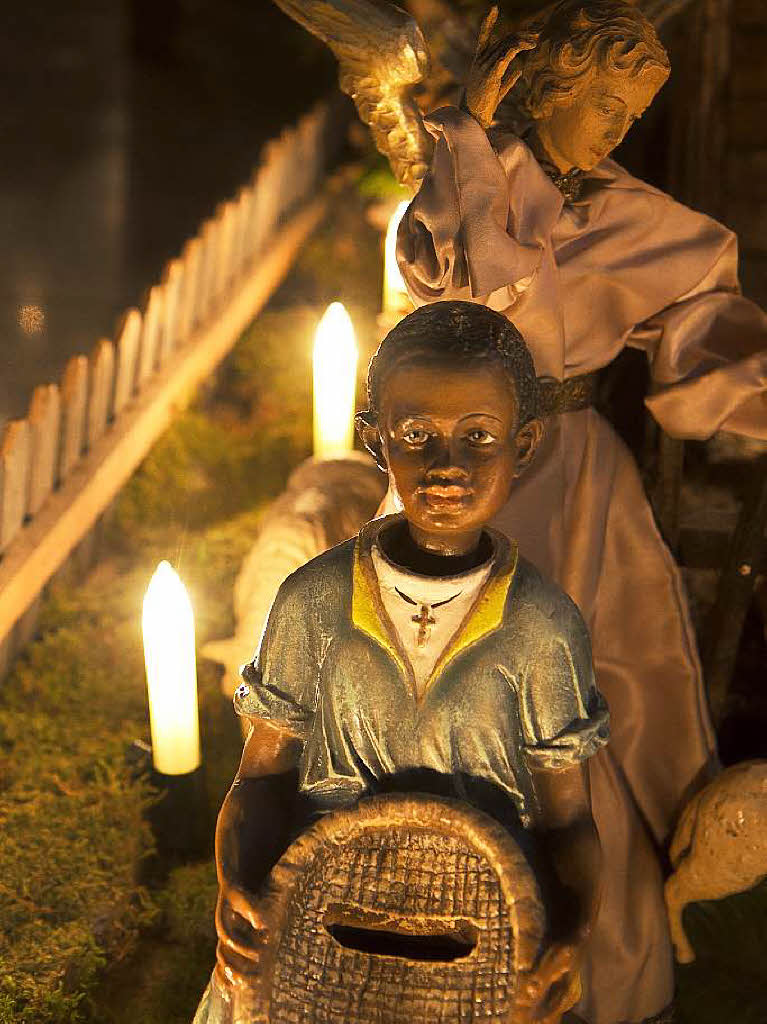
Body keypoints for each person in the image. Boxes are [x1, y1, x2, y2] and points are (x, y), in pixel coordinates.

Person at [394, 3, 767, 1021]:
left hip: (573, 468)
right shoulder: (458, 191)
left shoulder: (626, 213)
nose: (613, 130)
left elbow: (703, 328)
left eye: (629, 111)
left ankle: (593, 942)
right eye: (600, 103)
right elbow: (480, 293)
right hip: (461, 473)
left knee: (596, 685)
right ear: (548, 87)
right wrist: (468, 140)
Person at [209, 301, 610, 1022]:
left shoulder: (541, 627)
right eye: (416, 434)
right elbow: (262, 775)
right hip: (318, 929)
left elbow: (567, 816)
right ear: (374, 441)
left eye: (477, 437)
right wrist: (238, 881)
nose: (446, 465)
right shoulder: (315, 601)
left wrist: (570, 932)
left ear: (523, 446)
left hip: (482, 942)